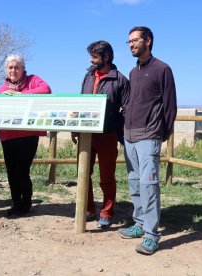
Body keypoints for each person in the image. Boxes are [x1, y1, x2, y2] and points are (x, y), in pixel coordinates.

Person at [118, 26, 177, 255]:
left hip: (149, 136)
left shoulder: (162, 69)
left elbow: (170, 106)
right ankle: (140, 224)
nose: (131, 44)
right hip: (130, 136)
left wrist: (162, 133)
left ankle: (152, 235)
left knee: (149, 185)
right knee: (134, 183)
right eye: (129, 41)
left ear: (148, 41)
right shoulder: (133, 72)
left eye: (135, 40)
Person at [71, 41, 129, 229]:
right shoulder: (88, 76)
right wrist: (75, 129)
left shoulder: (119, 80)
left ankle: (107, 211)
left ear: (106, 57)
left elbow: (126, 109)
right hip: (86, 135)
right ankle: (87, 209)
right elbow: (80, 103)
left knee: (107, 177)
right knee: (83, 173)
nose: (91, 59)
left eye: (95, 56)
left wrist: (121, 135)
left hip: (108, 135)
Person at [0, 54, 51, 216]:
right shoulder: (2, 89)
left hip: (28, 135)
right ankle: (16, 204)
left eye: (16, 67)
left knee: (22, 171)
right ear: (6, 70)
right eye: (10, 67)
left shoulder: (33, 80)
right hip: (8, 135)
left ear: (22, 68)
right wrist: (3, 97)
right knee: (11, 172)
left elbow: (46, 89)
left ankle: (26, 203)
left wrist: (23, 95)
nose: (13, 70)